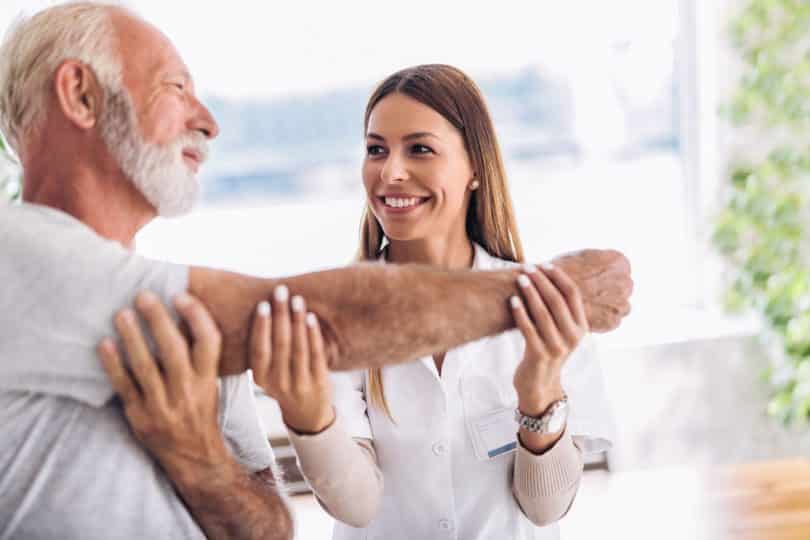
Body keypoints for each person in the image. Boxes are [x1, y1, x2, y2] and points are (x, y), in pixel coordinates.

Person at [0, 3, 632, 539]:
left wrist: (197, 459)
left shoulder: (194, 319)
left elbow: (272, 528)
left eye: (420, 149)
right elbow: (327, 320)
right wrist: (554, 293)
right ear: (81, 94)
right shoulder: (19, 255)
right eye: (175, 87)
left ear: (476, 168)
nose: (208, 120)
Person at [257, 65, 615, 540]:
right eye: (376, 150)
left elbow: (545, 508)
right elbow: (356, 504)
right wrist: (306, 415)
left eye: (420, 149)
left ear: (474, 168)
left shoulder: (549, 310)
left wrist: (540, 386)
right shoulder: (333, 313)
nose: (391, 172)